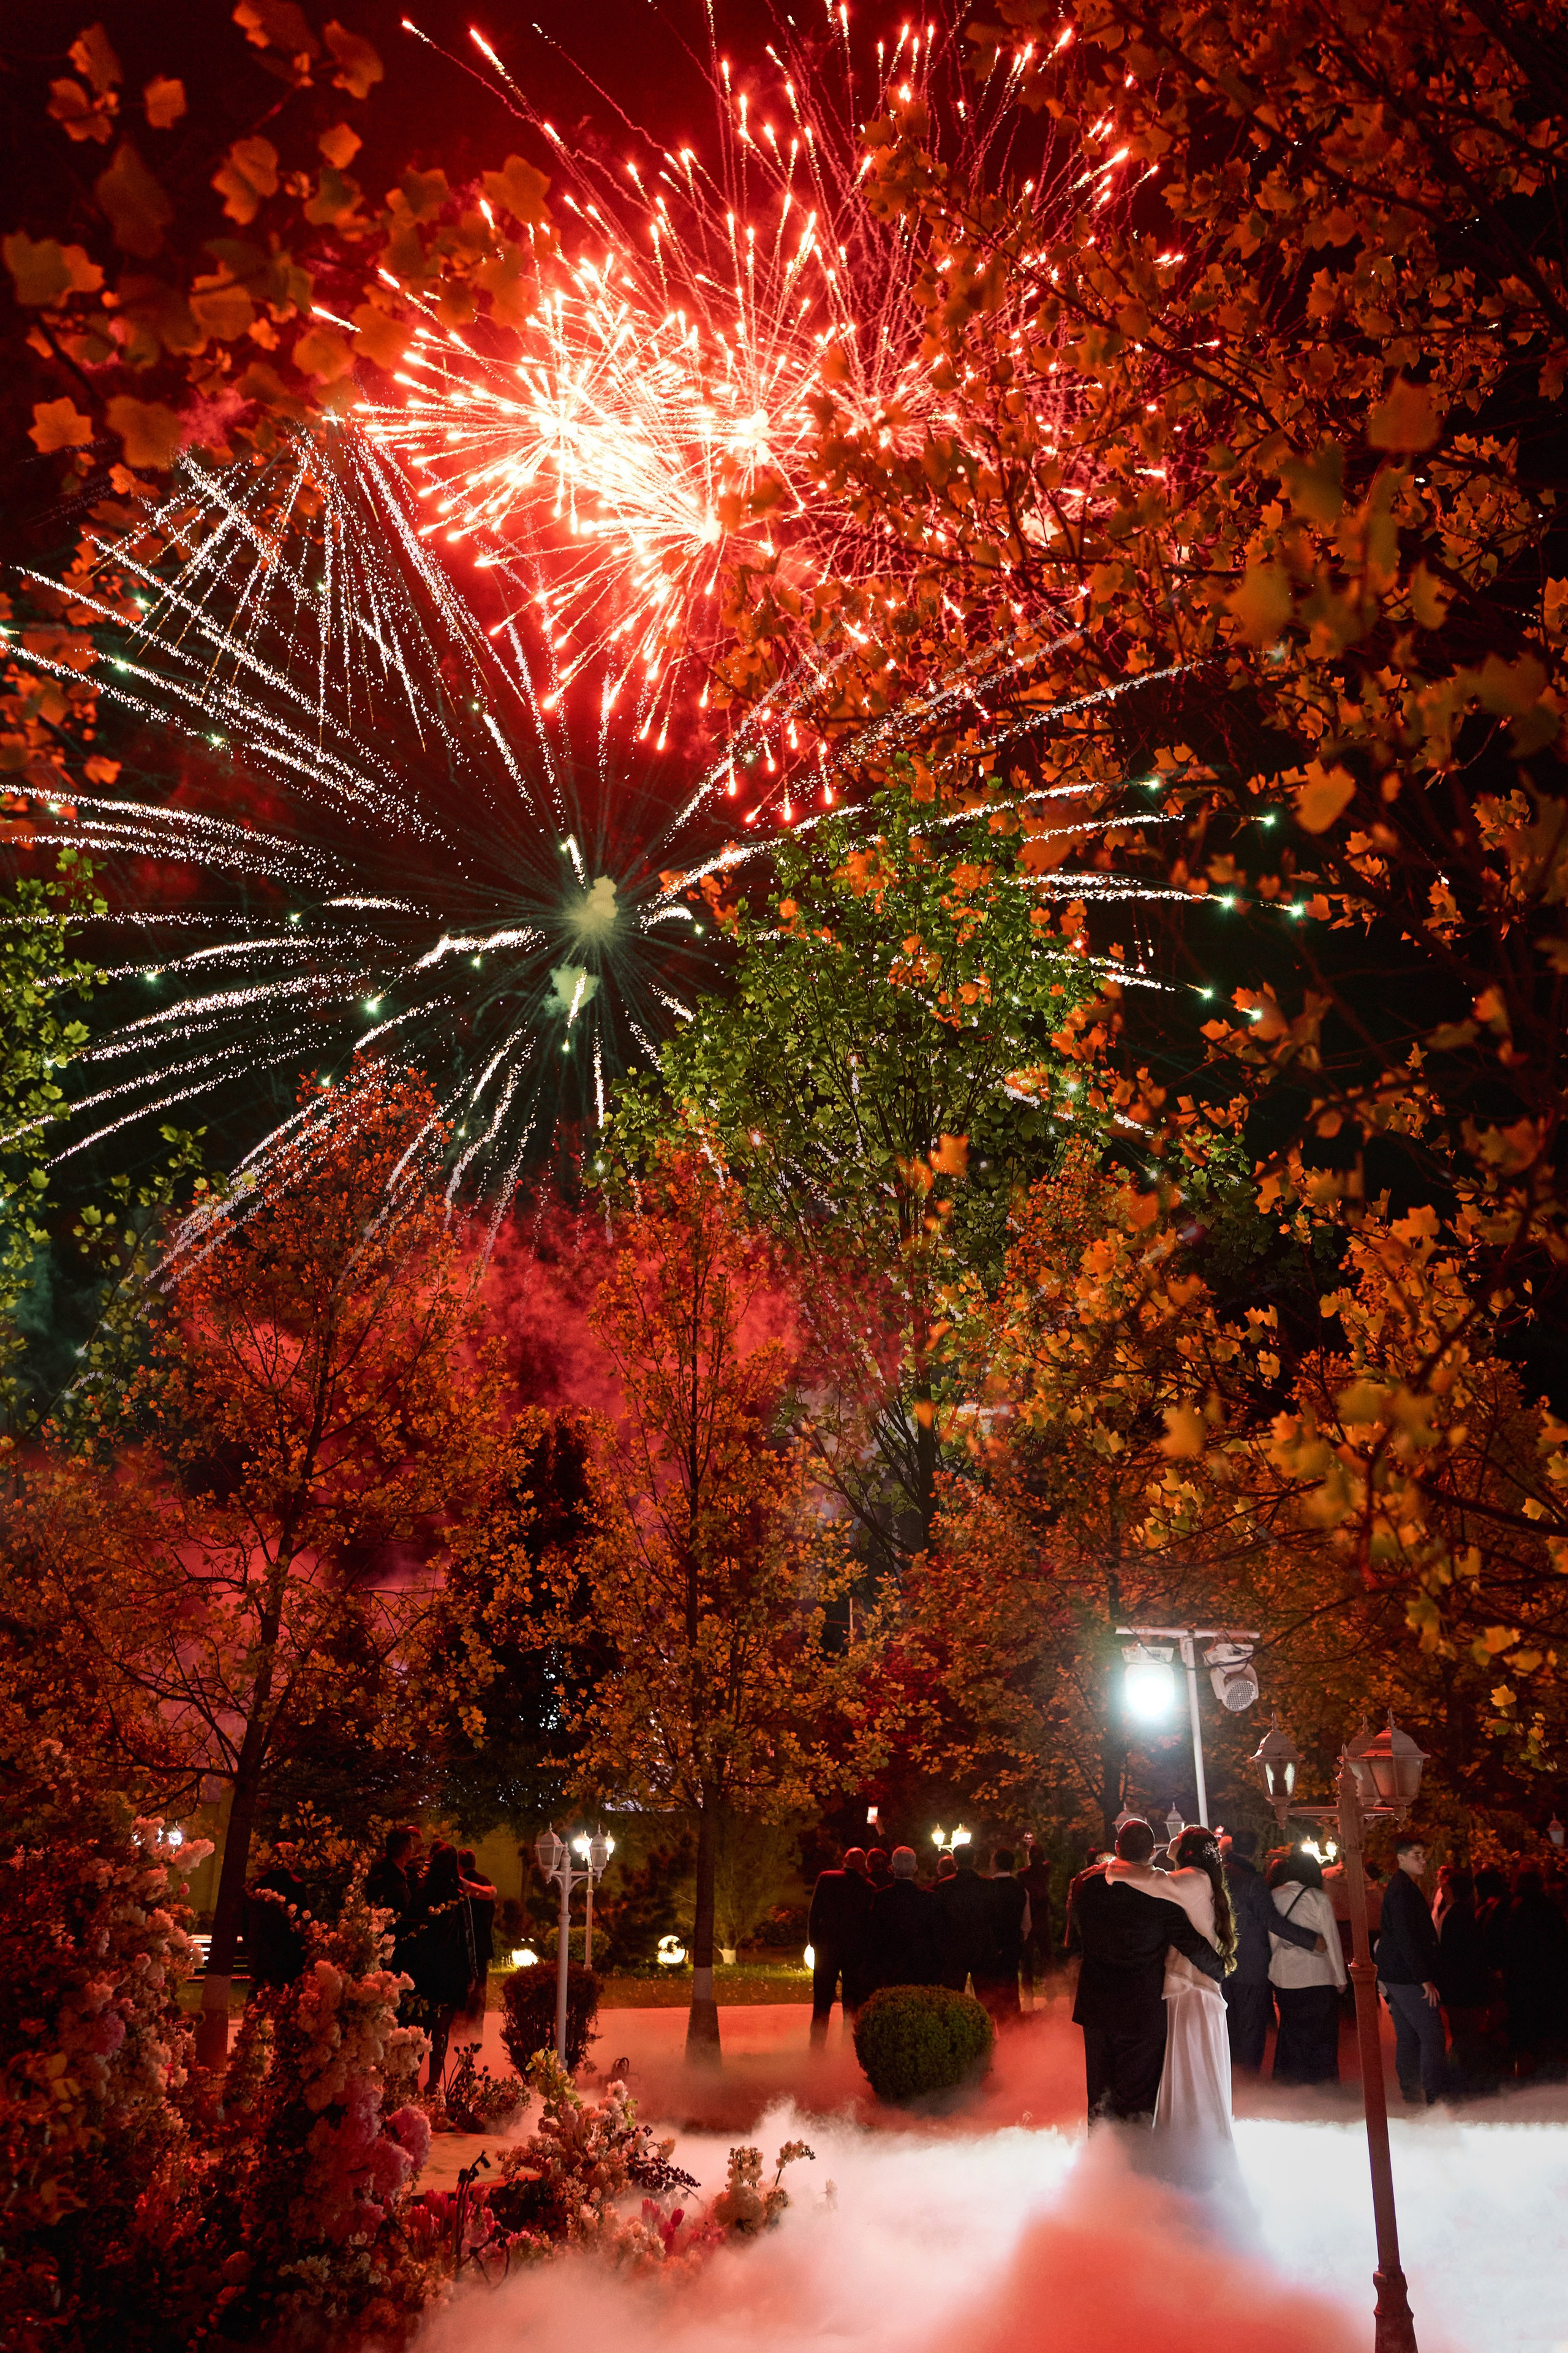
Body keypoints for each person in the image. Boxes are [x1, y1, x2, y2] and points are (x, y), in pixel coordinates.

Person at [1065, 1818, 1227, 2124]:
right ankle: (1135, 2166)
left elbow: (1073, 1940)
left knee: (1099, 2095)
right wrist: (1222, 1969)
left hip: (1096, 2004)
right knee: (1137, 2098)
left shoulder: (1085, 1884)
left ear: (1116, 1848)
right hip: (1141, 2009)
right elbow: (1192, 1945)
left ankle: (1101, 2165)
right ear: (1153, 1853)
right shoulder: (1160, 1899)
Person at [1136, 1826, 1238, 2150]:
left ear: (1189, 1848)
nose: (1175, 1836)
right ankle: (1199, 2148)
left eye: (1183, 1834)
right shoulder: (1200, 1880)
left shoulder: (1192, 1878)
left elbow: (1153, 1882)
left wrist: (1110, 1868)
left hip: (1191, 1989)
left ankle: (1190, 2149)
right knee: (1196, 2068)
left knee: (1190, 2070)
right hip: (1197, 1989)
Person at [1221, 1828, 1322, 2069]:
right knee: (1250, 2032)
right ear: (1256, 1852)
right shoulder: (1253, 1881)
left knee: (1229, 2031)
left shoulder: (1220, 1876)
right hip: (1251, 1966)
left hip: (1222, 1965)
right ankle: (1250, 2087)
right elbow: (1270, 1919)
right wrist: (1310, 1939)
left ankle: (1233, 2087)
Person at [1376, 1835, 1448, 2104]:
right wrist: (1424, 1979)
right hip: (1406, 1975)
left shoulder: (1402, 1887)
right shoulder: (1402, 1890)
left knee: (1409, 2035)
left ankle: (1413, 2091)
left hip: (1397, 1973)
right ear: (1401, 1858)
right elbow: (1406, 1937)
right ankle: (1433, 2094)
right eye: (1417, 1855)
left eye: (1424, 1854)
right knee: (1432, 2034)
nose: (1423, 1860)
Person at [404, 1840, 478, 2092]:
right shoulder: (457, 1898)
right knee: (441, 2031)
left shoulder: (419, 1893)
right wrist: (472, 1974)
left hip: (423, 1971)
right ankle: (433, 2084)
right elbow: (468, 1938)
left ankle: (412, 2080)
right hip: (449, 1972)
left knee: (420, 2028)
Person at [1267, 1849, 1346, 2082]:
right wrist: (1341, 1979)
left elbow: (1273, 1937)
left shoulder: (1274, 1896)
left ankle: (1291, 2080)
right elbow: (1332, 1939)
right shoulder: (1319, 1898)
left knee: (1291, 2030)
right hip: (1318, 1977)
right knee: (1322, 2034)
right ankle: (1321, 2081)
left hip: (1286, 1977)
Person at [1499, 1865, 1568, 2074]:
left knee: (1524, 2033)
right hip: (1549, 1979)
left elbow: (1507, 1945)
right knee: (1547, 2032)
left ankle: (1526, 2072)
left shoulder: (1513, 1907)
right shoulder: (1550, 1907)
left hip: (1522, 1979)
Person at [807, 1846, 875, 2043]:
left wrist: (814, 1942)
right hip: (855, 1950)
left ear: (844, 1861)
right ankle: (848, 2042)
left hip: (827, 1948)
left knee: (822, 1999)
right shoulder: (868, 1887)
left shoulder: (827, 1879)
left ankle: (818, 2044)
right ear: (863, 1866)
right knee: (851, 2000)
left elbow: (815, 1911)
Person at [866, 1846, 940, 1989]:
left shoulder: (880, 1898)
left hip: (890, 1966)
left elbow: (874, 1936)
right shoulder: (928, 1898)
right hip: (921, 1966)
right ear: (915, 1869)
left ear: (893, 1868)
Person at [973, 1848, 1030, 2023]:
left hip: (988, 1951)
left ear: (995, 1863)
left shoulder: (985, 1888)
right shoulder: (1021, 1890)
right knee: (1010, 1997)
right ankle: (1013, 2039)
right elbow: (1026, 1925)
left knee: (989, 2001)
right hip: (1011, 1949)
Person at [930, 1845, 993, 1994]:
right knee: (986, 2000)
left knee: (953, 1997)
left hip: (954, 1949)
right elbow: (994, 1916)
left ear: (955, 1862)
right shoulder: (988, 1884)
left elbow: (939, 1920)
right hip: (982, 1947)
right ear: (974, 1860)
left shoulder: (945, 1886)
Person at [246, 1847, 309, 1989]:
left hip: (262, 1947)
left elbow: (247, 1915)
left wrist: (251, 1940)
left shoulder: (258, 1882)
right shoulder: (295, 1884)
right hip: (287, 1949)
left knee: (261, 1988)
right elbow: (304, 1917)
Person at [366, 1824, 424, 1965]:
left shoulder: (390, 1873)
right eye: (411, 1847)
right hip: (391, 1953)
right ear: (406, 1851)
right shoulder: (390, 1880)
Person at [1019, 1837, 1055, 2003]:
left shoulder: (1023, 1874)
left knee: (1028, 1960)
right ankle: (1051, 1992)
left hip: (1029, 1920)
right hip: (1043, 1920)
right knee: (1047, 1958)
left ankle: (1028, 1994)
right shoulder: (1047, 1870)